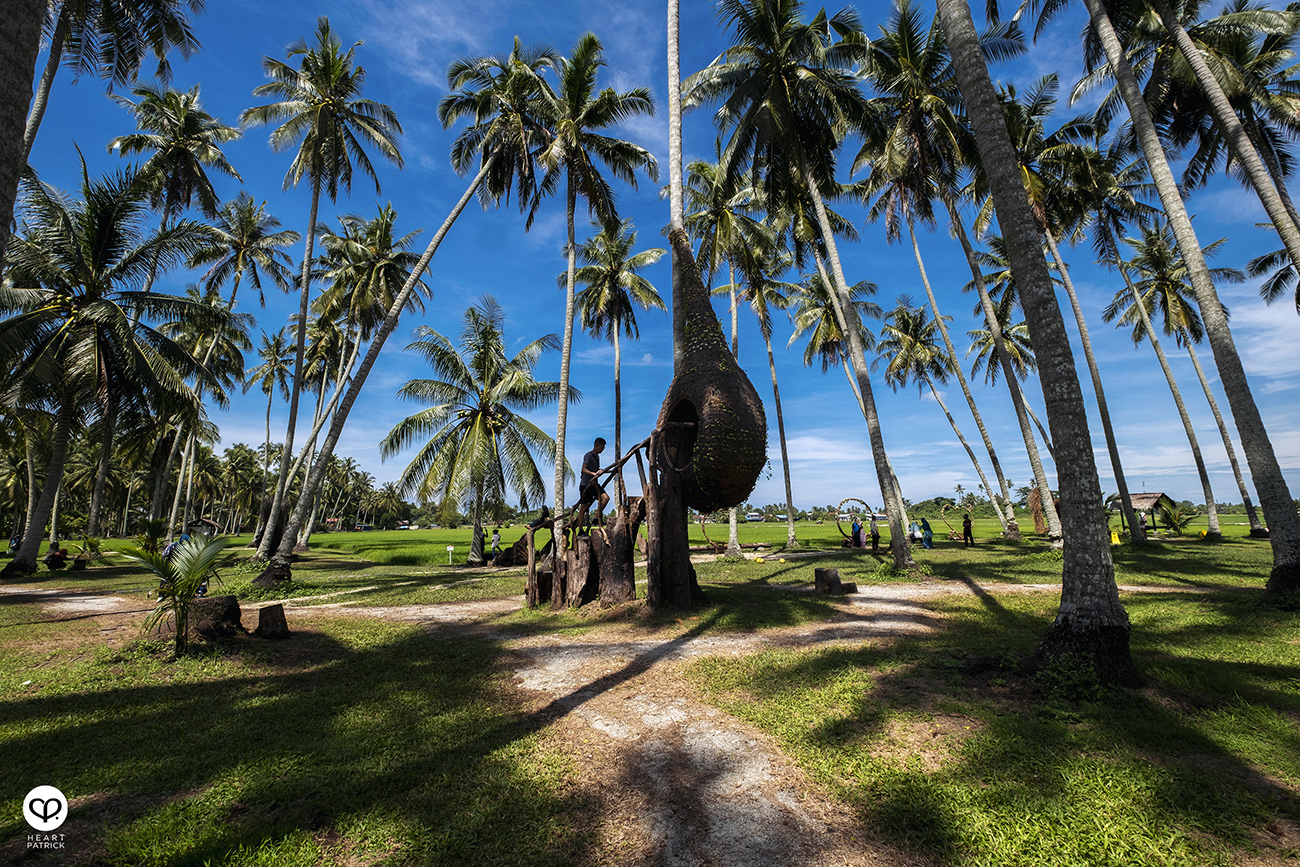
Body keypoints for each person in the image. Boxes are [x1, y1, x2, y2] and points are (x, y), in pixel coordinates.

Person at [576, 437, 610, 531]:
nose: (603, 449)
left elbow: (596, 469)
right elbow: (583, 469)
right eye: (602, 447)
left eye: (604, 448)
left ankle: (596, 517)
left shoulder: (597, 456)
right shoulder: (589, 455)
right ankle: (580, 530)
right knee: (583, 508)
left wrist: (601, 471)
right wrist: (594, 474)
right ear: (596, 445)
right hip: (586, 485)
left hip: (594, 484)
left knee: (605, 498)